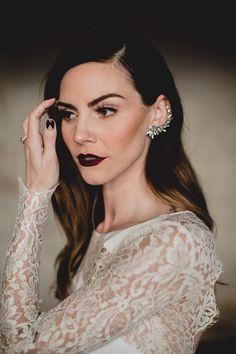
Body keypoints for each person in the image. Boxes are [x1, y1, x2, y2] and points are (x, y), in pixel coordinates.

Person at [0, 30, 223, 353]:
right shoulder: (97, 228)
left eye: (104, 110)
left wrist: (35, 194)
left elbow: (18, 347)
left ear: (158, 112)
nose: (80, 135)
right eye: (68, 114)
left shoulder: (175, 242)